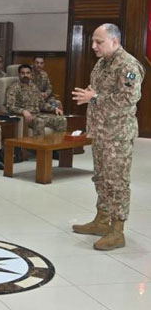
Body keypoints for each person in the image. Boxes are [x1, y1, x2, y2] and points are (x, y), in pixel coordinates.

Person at [72, 23, 144, 251]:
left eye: (99, 42)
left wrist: (93, 98)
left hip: (117, 136)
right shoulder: (103, 63)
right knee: (102, 178)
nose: (93, 46)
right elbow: (99, 91)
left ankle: (117, 231)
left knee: (117, 183)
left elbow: (127, 99)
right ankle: (102, 221)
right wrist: (90, 96)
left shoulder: (128, 65)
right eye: (93, 41)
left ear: (114, 41)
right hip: (101, 133)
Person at [5, 64, 66, 136]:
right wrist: (23, 111)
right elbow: (9, 106)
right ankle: (39, 146)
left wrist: (54, 109)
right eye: (23, 73)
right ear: (19, 74)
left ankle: (57, 145)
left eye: (28, 73)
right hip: (27, 118)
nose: (25, 75)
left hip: (38, 115)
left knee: (61, 120)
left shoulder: (34, 87)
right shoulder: (14, 88)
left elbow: (42, 104)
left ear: (31, 74)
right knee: (39, 122)